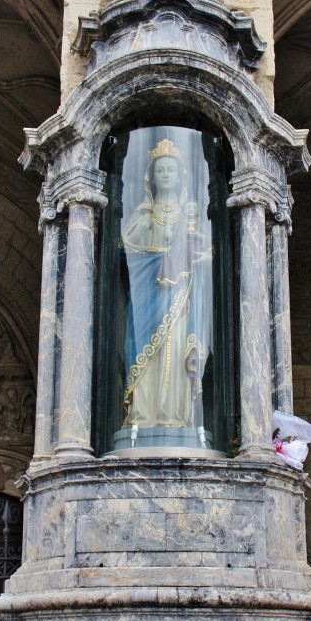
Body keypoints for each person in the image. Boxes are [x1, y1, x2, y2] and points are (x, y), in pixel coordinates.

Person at [121, 138, 211, 439]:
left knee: (176, 351)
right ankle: (144, 415)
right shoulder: (144, 215)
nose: (166, 175)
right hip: (148, 296)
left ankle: (176, 415)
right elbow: (130, 251)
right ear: (151, 178)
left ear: (182, 176)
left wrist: (195, 254)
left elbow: (205, 254)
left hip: (181, 298)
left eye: (171, 169)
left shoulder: (189, 216)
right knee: (147, 353)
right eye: (160, 170)